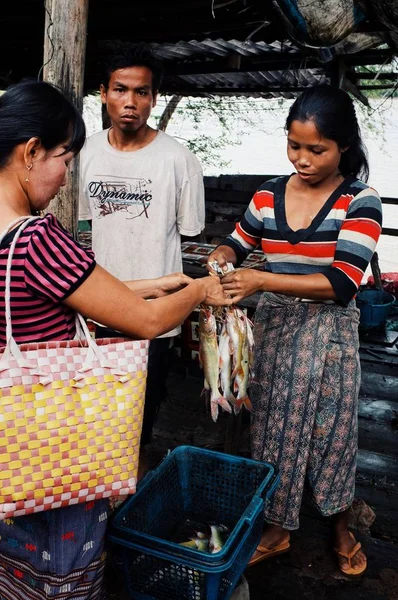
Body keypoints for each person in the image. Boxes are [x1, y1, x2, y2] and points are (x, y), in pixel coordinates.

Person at [0, 80, 229, 600]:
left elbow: (64, 290)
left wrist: (153, 283)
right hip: (51, 440)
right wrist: (197, 289)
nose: (65, 177)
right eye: (63, 158)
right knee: (59, 565)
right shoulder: (35, 236)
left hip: (6, 436)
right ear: (31, 152)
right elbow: (145, 324)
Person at [207, 85, 382, 577]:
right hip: (278, 329)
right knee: (274, 430)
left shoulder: (360, 200)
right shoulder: (268, 195)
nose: (302, 159)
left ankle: (341, 522)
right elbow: (237, 243)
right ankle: (278, 527)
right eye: (294, 145)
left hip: (330, 334)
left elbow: (342, 282)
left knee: (332, 432)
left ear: (343, 146)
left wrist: (262, 278)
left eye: (316, 149)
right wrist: (222, 258)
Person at [79, 42, 206, 456]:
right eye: (120, 90)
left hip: (154, 313)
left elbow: (190, 229)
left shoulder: (178, 159)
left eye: (141, 92)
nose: (129, 102)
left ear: (154, 98)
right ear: (103, 93)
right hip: (94, 305)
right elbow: (80, 224)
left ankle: (128, 493)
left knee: (139, 418)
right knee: (90, 414)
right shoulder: (85, 153)